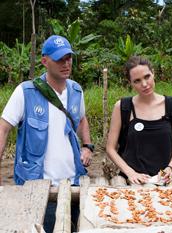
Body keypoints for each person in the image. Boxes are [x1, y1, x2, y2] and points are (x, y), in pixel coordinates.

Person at [0, 35, 94, 231]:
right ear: (44, 61)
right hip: (40, 187)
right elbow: (3, 128)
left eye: (68, 58)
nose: (66, 63)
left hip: (74, 182)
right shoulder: (25, 92)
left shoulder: (76, 91)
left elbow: (81, 119)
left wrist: (87, 146)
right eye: (59, 59)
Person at [106, 56, 172, 186]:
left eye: (147, 77)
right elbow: (110, 148)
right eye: (137, 81)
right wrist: (130, 173)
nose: (144, 84)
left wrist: (170, 168)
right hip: (131, 181)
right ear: (130, 83)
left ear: (153, 73)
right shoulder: (123, 107)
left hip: (164, 179)